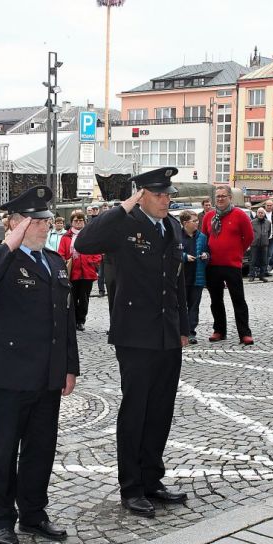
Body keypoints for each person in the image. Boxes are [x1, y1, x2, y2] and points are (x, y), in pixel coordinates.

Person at [0, 186, 79, 544]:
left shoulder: (54, 261)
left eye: (47, 219)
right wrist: (8, 244)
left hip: (47, 374)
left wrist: (69, 367)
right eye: (36, 219)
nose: (46, 225)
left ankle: (33, 512)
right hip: (10, 375)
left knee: (41, 448)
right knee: (3, 451)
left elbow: (65, 320)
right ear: (15, 224)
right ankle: (2, 520)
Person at [75, 167, 189, 518]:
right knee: (135, 411)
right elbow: (84, 243)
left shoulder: (170, 226)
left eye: (168, 194)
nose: (166, 200)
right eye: (159, 194)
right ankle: (132, 487)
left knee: (161, 410)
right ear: (142, 196)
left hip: (168, 333)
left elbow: (177, 283)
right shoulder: (124, 225)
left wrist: (184, 327)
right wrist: (122, 207)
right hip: (135, 335)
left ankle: (152, 479)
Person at [202, 185, 254, 344]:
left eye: (223, 196)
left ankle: (244, 333)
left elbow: (249, 237)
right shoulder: (209, 216)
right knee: (215, 300)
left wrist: (237, 252)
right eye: (217, 196)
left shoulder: (240, 215)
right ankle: (219, 330)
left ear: (230, 197)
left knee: (238, 300)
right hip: (213, 265)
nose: (220, 199)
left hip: (232, 265)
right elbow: (204, 238)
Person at [58, 211, 102, 331]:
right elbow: (61, 253)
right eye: (76, 220)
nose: (78, 222)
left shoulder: (90, 235)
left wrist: (93, 263)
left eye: (81, 220)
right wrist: (66, 262)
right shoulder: (66, 237)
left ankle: (81, 320)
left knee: (84, 298)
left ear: (84, 221)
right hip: (72, 272)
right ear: (71, 222)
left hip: (87, 272)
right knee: (72, 298)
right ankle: (72, 319)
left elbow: (97, 251)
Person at [180, 210, 209, 344]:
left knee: (194, 306)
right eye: (194, 221)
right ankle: (180, 331)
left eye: (198, 220)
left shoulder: (202, 237)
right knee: (180, 306)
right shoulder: (176, 236)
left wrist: (206, 256)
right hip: (181, 277)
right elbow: (171, 254)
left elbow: (208, 253)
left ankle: (191, 332)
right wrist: (184, 257)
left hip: (197, 277)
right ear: (185, 223)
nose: (198, 223)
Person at [248, 207, 271, 282]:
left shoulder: (268, 222)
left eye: (262, 213)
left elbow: (269, 233)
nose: (260, 214)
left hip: (264, 244)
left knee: (264, 261)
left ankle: (262, 275)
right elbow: (249, 233)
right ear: (257, 214)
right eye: (259, 213)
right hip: (254, 244)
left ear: (264, 214)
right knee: (253, 261)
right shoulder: (252, 222)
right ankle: (252, 275)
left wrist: (265, 240)